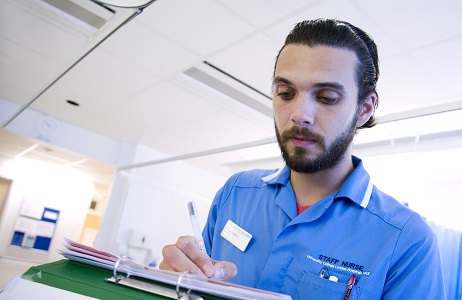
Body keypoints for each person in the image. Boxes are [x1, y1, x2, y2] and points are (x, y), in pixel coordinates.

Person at [160, 18, 445, 299]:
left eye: (326, 97)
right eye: (286, 93)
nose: (299, 114)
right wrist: (179, 284)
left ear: (364, 109)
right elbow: (198, 288)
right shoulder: (236, 193)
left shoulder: (406, 240)